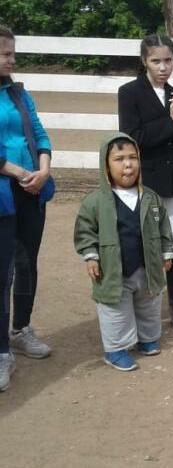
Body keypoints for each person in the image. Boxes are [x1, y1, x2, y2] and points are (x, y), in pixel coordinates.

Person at [74, 133, 173, 372]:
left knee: (149, 303)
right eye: (119, 159)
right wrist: (91, 256)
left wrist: (166, 252)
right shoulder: (95, 202)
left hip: (147, 266)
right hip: (113, 270)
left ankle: (148, 338)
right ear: (106, 166)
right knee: (115, 309)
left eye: (133, 157)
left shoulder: (151, 197)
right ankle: (116, 349)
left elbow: (164, 227)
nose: (128, 165)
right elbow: (85, 231)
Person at [118, 34, 173, 329]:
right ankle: (141, 301)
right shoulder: (129, 93)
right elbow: (132, 138)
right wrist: (169, 121)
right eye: (156, 61)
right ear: (144, 61)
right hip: (144, 180)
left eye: (168, 61)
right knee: (140, 239)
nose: (163, 67)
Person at [0, 25, 54, 392]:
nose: (12, 60)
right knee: (1, 271)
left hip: (31, 189)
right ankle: (2, 352)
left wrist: (43, 170)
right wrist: (19, 172)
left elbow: (40, 132)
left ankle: (21, 329)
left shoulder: (19, 93)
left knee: (27, 261)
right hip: (5, 189)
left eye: (13, 53)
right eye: (6, 54)